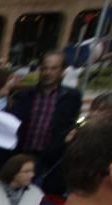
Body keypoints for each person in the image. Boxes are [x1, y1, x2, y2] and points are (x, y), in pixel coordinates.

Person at [10, 51, 82, 196]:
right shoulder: (25, 95)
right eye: (45, 68)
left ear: (62, 71)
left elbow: (71, 123)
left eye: (54, 68)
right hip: (23, 153)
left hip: (51, 158)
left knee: (42, 198)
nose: (48, 73)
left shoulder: (71, 97)